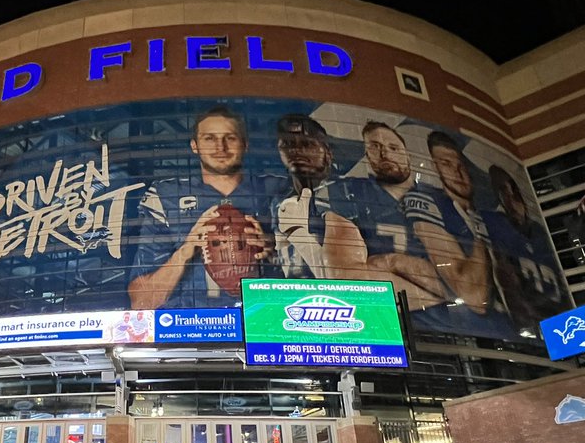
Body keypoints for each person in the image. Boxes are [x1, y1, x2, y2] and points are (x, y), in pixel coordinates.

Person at [274, 116, 447, 310]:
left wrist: (392, 262)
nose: (297, 151)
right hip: (309, 314)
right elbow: (347, 283)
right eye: (288, 144)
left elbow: (347, 284)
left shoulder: (436, 201)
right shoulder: (280, 200)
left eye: (307, 144)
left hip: (400, 323)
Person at [128, 106, 272, 308]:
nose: (220, 147)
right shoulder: (166, 195)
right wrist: (186, 250)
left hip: (264, 324)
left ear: (245, 144)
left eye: (230, 138)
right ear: (194, 146)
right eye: (209, 138)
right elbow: (141, 302)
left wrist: (277, 249)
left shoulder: (275, 190)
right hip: (191, 329)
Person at [402, 132, 516, 338]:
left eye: (461, 166)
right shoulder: (430, 204)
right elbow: (474, 296)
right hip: (467, 336)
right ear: (435, 169)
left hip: (513, 333)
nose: (457, 173)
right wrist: (478, 231)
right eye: (446, 164)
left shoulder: (493, 219)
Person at [483, 164, 569, 329]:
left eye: (512, 189)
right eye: (503, 190)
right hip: (531, 324)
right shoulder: (494, 224)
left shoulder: (539, 233)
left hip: (556, 316)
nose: (509, 196)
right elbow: (506, 280)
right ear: (498, 195)